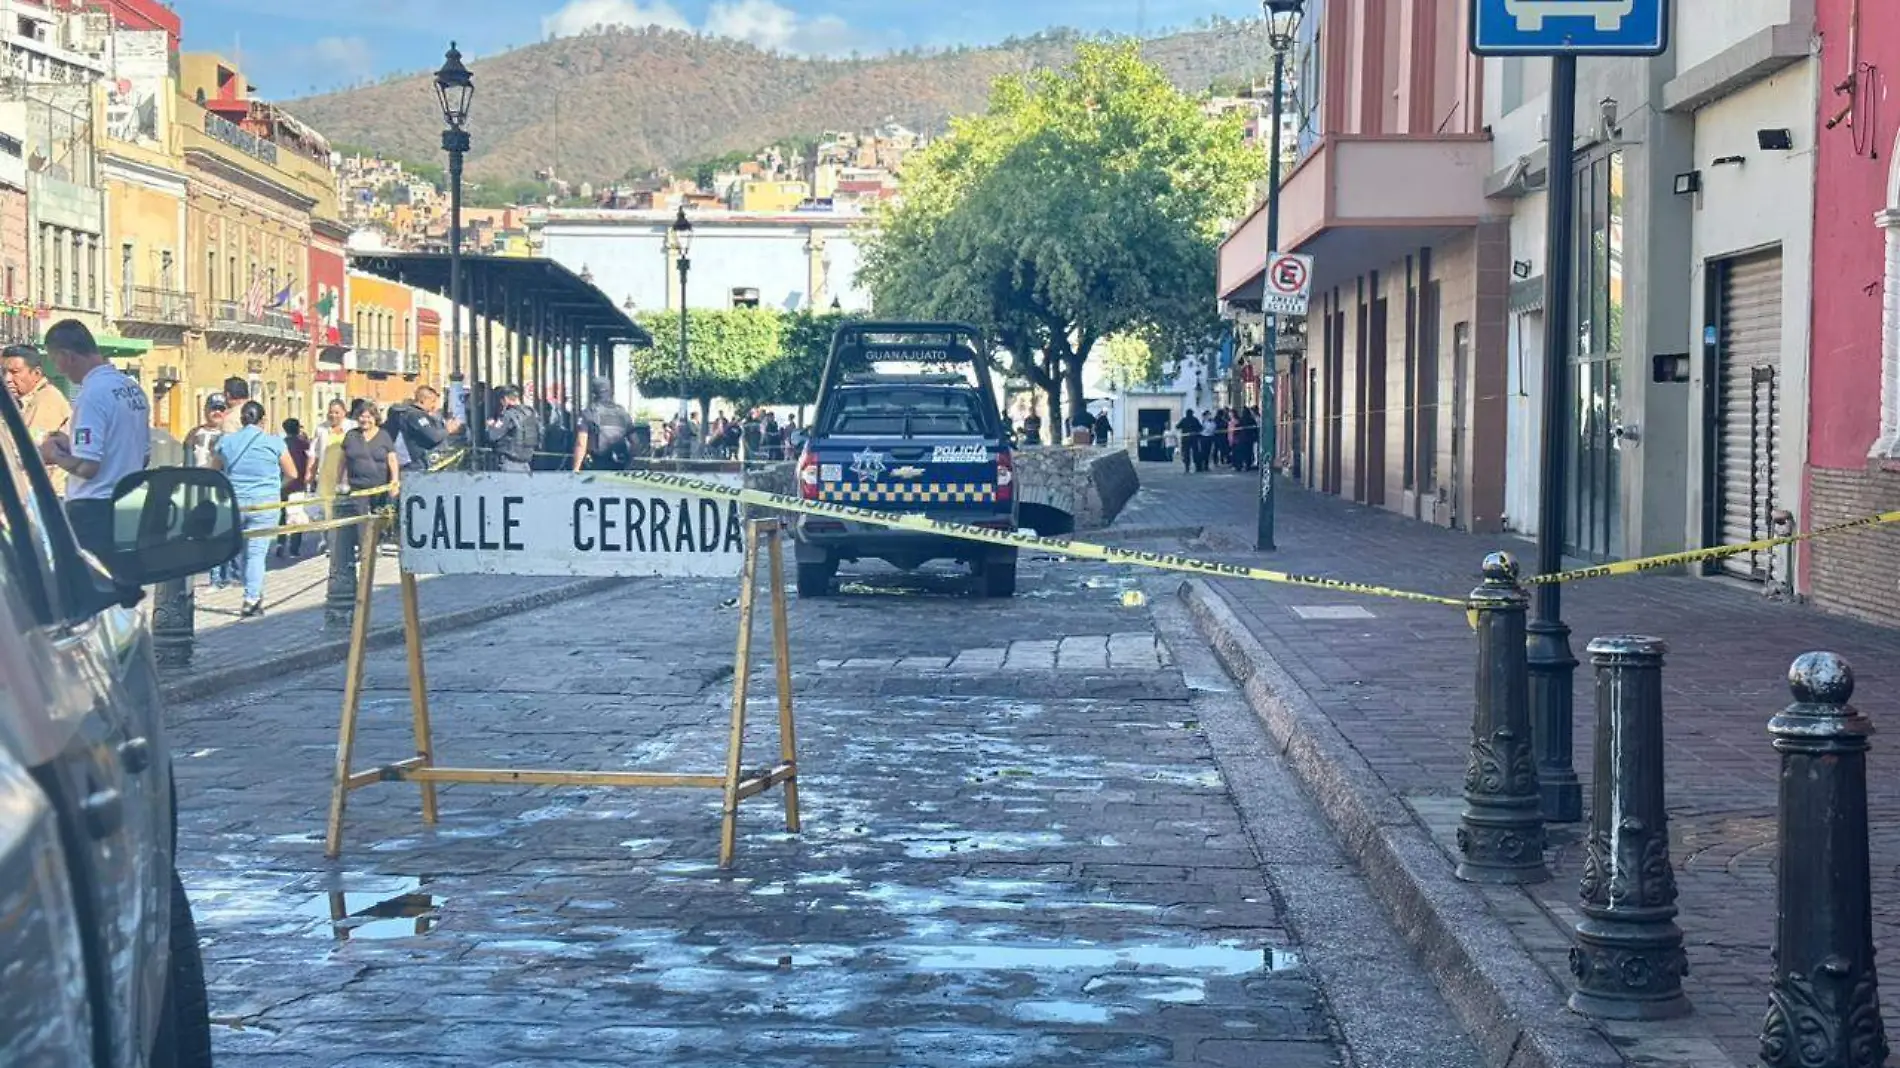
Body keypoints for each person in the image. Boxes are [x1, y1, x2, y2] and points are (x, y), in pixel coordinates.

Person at [36, 320, 150, 560]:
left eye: (55, 361)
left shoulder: (91, 395)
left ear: (67, 356)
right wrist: (72, 445)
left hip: (93, 508)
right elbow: (140, 453)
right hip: (127, 502)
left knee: (90, 588)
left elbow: (88, 467)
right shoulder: (131, 388)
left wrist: (53, 454)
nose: (58, 370)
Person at [211, 400, 295, 617]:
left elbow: (214, 471)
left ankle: (241, 584)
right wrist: (276, 486)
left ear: (241, 420)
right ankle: (251, 599)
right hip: (265, 503)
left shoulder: (226, 442)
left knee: (239, 548)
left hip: (236, 501)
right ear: (263, 420)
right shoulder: (274, 442)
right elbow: (292, 473)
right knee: (257, 553)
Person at [385, 385, 461, 473]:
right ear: (423, 400)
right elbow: (433, 437)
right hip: (420, 465)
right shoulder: (415, 415)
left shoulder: (423, 415)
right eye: (432, 401)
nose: (434, 405)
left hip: (429, 463)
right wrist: (448, 429)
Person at [571, 375, 637, 472]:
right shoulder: (623, 414)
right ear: (611, 391)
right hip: (619, 466)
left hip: (596, 466)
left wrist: (576, 469)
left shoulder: (589, 413)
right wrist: (629, 464)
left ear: (593, 393)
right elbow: (635, 442)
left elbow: (581, 443)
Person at [276, 418, 312, 559]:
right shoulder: (304, 444)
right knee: (296, 515)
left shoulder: (281, 444)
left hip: (283, 483)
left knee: (282, 515)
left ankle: (280, 542)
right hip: (298, 484)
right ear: (298, 429)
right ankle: (294, 548)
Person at [485, 385, 540, 473]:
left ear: (506, 399)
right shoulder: (531, 413)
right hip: (527, 461)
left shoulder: (508, 415)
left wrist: (491, 425)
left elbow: (493, 436)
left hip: (510, 462)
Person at [1175, 409, 1203, 475]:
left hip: (1186, 439)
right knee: (1195, 453)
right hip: (1194, 439)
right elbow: (1201, 428)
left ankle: (1187, 468)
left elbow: (1177, 426)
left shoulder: (1184, 420)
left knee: (1186, 454)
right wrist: (1196, 431)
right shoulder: (1195, 420)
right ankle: (1197, 467)